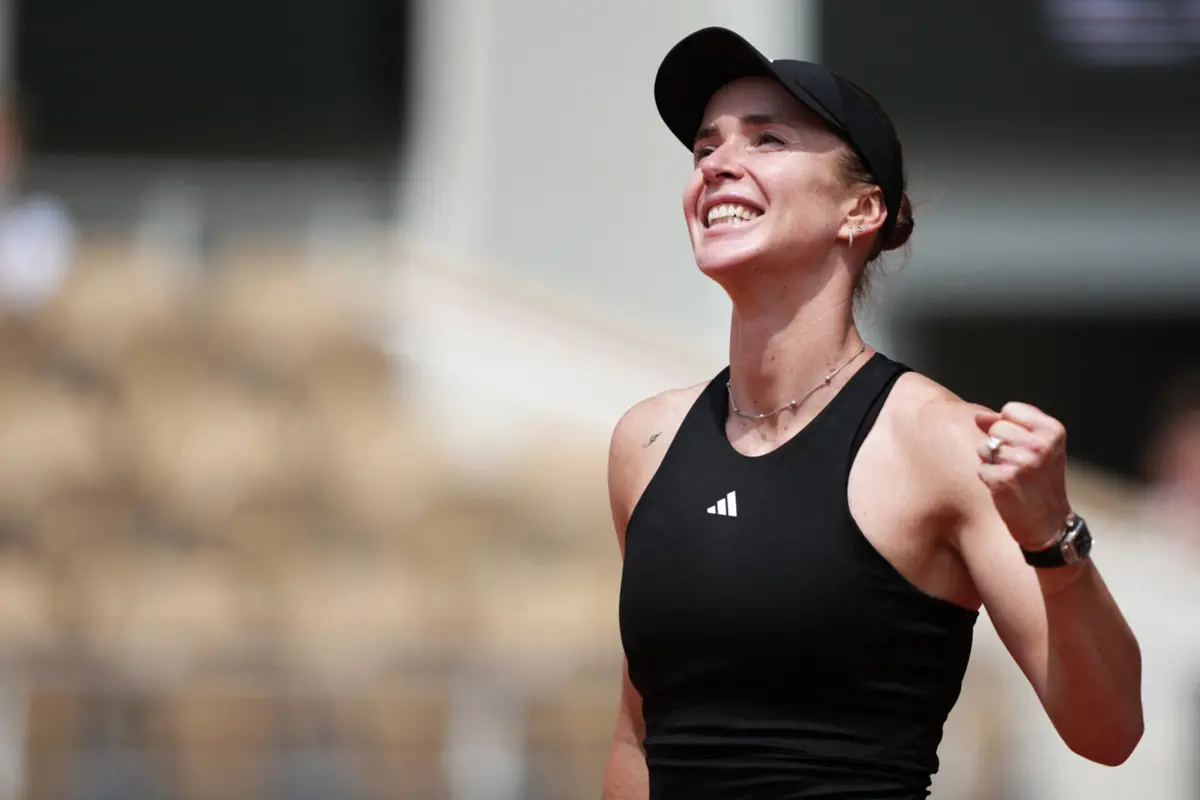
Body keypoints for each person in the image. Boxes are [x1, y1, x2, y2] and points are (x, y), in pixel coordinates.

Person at [603, 27, 1143, 799]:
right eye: (704, 148)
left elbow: (1111, 730)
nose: (717, 164)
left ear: (860, 210)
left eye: (766, 140)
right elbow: (637, 736)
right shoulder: (646, 442)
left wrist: (1051, 538)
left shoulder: (941, 442)